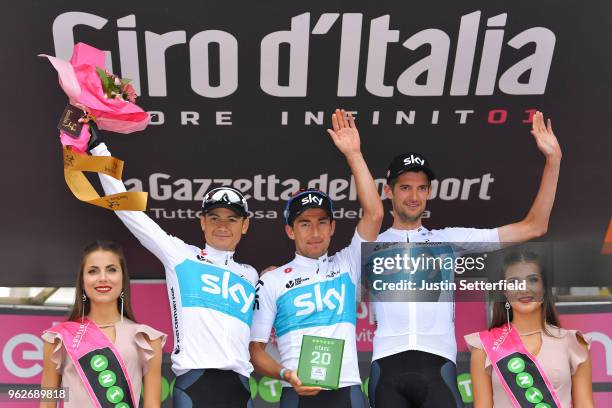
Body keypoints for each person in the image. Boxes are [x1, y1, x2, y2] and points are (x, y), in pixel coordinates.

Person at [368, 111, 562, 407]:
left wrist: (553, 161)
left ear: (429, 192)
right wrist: (275, 272)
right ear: (388, 191)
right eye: (405, 187)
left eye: (421, 188)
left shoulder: (447, 241)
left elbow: (534, 226)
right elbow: (324, 271)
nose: (413, 196)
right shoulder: (369, 244)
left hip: (437, 366)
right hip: (386, 365)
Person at [89, 141, 259, 407]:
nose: (223, 226)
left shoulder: (251, 276)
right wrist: (99, 151)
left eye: (232, 219)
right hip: (195, 383)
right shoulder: (180, 255)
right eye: (214, 218)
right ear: (202, 222)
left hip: (240, 386)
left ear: (245, 225)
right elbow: (126, 210)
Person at [249, 109, 384, 407]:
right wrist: (286, 373)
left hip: (347, 390)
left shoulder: (347, 264)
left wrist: (354, 155)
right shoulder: (271, 280)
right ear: (289, 230)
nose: (314, 231)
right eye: (304, 223)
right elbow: (255, 351)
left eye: (322, 222)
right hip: (297, 393)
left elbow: (374, 214)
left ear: (333, 227)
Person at [41, 241, 166, 408]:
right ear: (82, 281)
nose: (102, 278)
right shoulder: (58, 338)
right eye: (93, 271)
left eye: (111, 270)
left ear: (123, 277)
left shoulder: (146, 339)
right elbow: (47, 401)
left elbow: (152, 405)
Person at [465, 249, 594, 407]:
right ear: (504, 291)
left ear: (544, 287)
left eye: (532, 280)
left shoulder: (574, 343)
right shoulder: (484, 346)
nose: (524, 289)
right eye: (513, 282)